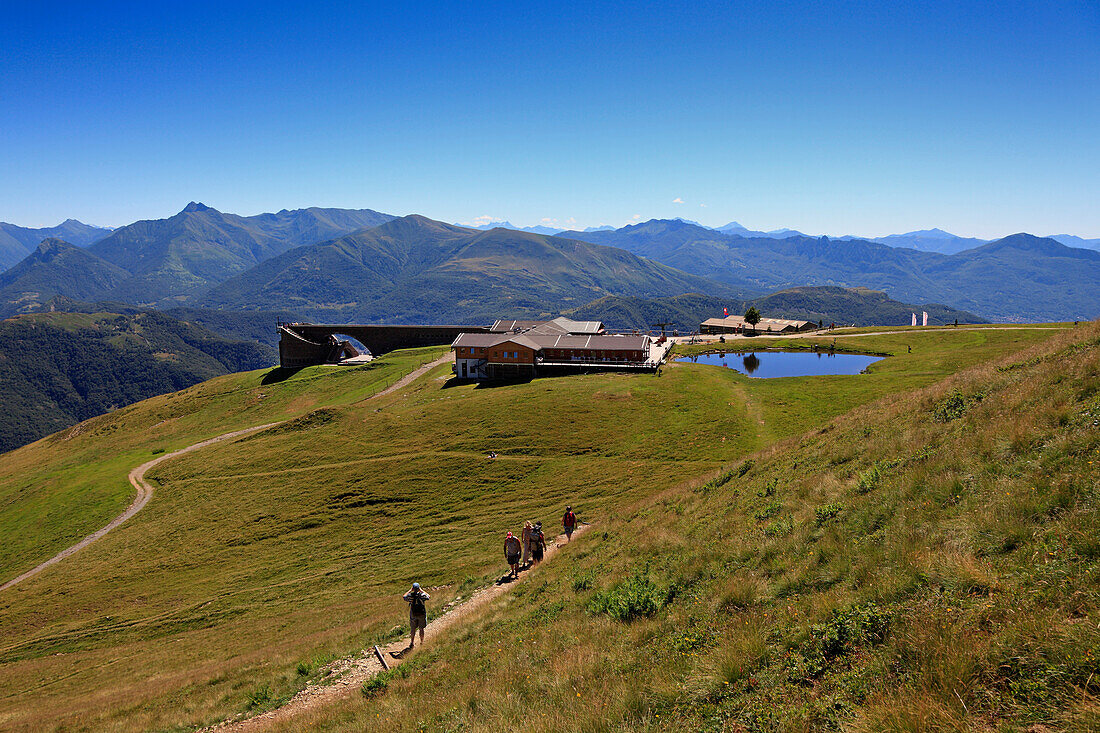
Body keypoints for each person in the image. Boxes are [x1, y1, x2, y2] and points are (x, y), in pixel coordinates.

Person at [403, 582, 430, 651]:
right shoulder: (422, 595)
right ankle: (422, 642)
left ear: (413, 588)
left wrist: (410, 590)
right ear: (418, 588)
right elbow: (428, 596)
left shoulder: (410, 595)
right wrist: (421, 590)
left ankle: (412, 642)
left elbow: (404, 596)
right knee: (421, 629)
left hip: (413, 614)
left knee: (413, 629)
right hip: (422, 614)